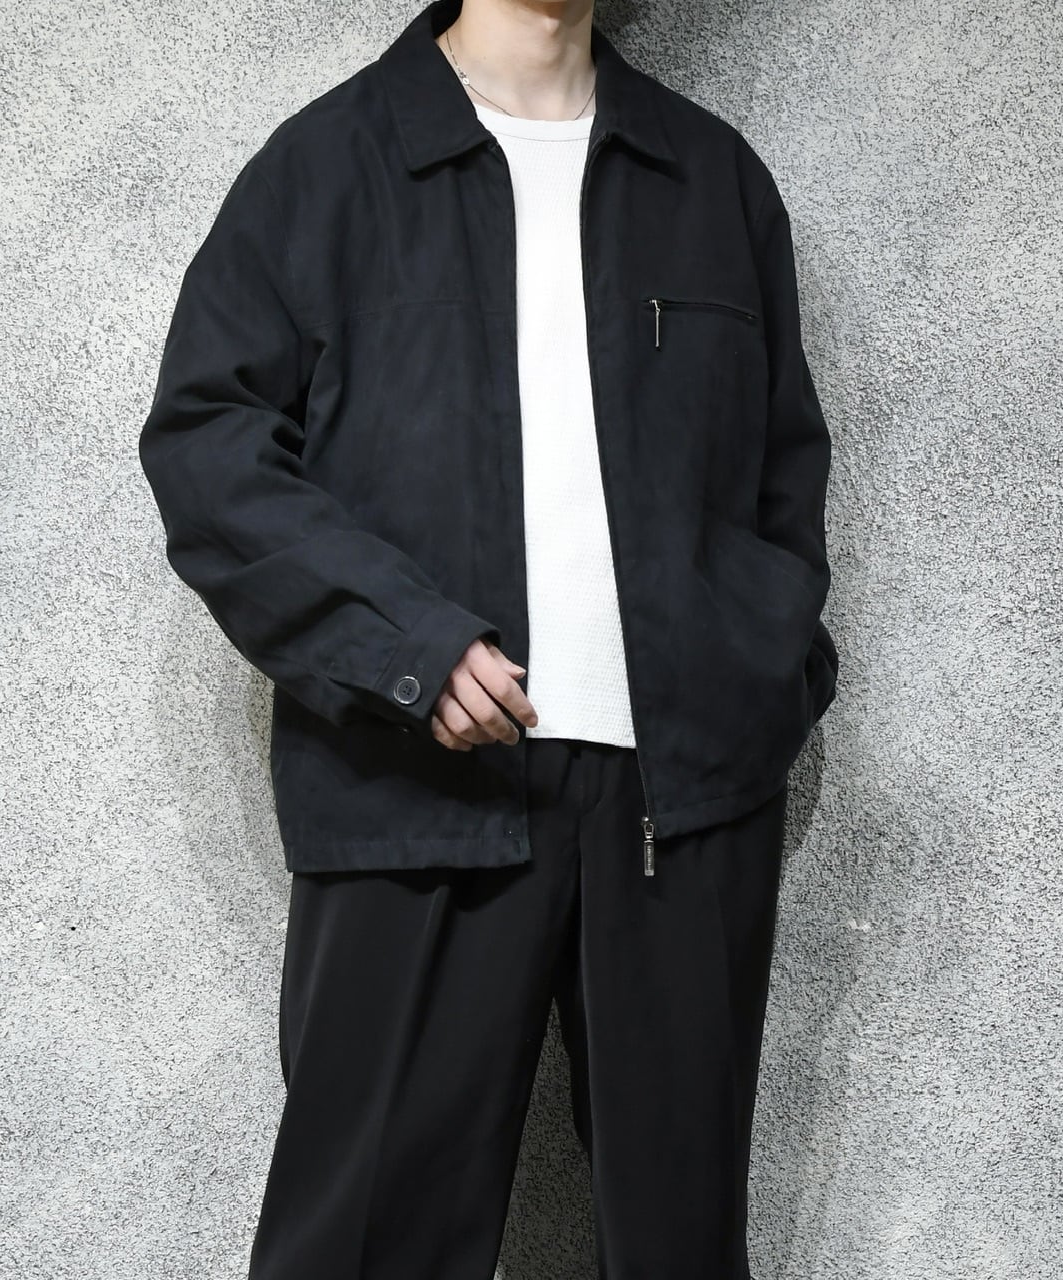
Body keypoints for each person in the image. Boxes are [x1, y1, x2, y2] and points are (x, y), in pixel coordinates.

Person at [138, 0, 838, 1275]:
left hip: (677, 811)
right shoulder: (329, 165)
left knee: (679, 1250)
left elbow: (779, 481)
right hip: (421, 786)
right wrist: (401, 642)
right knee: (365, 1244)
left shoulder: (711, 180)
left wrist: (760, 680)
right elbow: (208, 451)